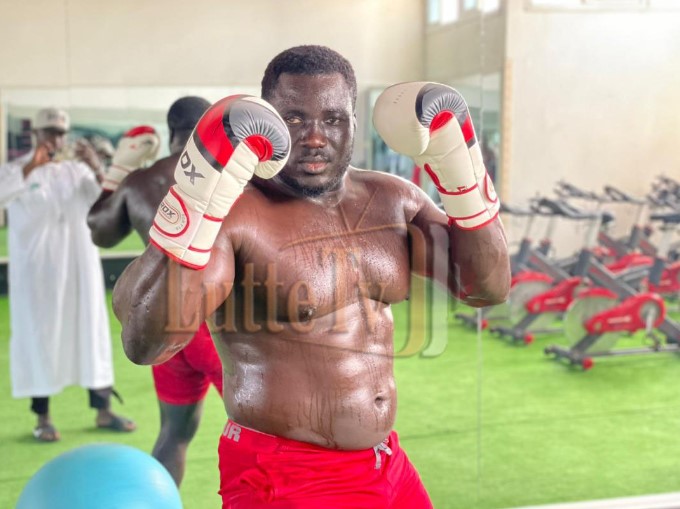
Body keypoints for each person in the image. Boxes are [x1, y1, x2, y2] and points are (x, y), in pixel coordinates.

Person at [113, 46, 511, 508]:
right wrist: (195, 202)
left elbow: (487, 288)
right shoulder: (239, 217)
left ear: (354, 122)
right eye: (295, 119)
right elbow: (147, 344)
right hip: (284, 474)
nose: (316, 137)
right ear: (268, 122)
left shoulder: (393, 199)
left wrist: (464, 174)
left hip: (386, 463)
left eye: (333, 119)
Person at [87, 96, 224, 486]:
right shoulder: (227, 175)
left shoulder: (139, 182)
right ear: (210, 129)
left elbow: (100, 230)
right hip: (219, 322)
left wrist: (118, 172)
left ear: (170, 133)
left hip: (161, 324)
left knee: (173, 435)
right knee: (260, 434)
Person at [0, 107, 138, 442]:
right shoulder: (15, 171)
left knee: (91, 335)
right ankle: (43, 417)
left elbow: (105, 203)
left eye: (60, 133)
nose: (56, 140)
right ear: (36, 135)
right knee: (40, 339)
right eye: (49, 133)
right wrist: (32, 167)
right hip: (36, 278)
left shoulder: (78, 171)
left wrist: (96, 166)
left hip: (80, 273)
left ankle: (103, 410)